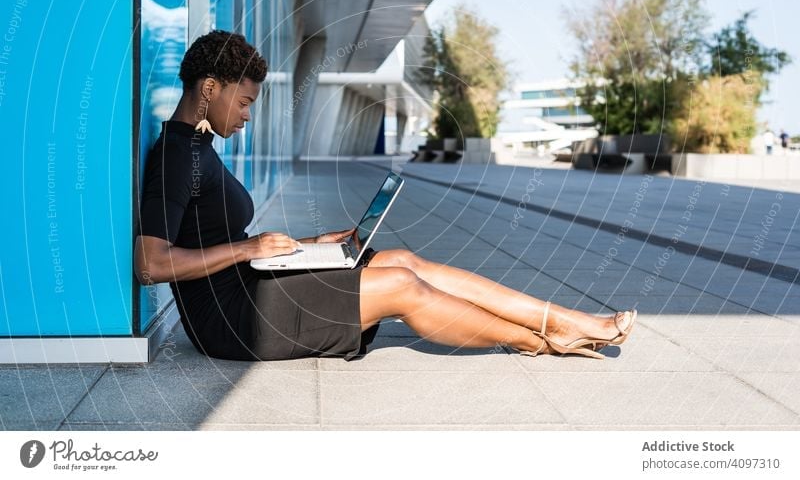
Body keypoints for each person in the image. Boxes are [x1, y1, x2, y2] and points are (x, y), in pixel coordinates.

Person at [134, 30, 636, 363]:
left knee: (398, 258)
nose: (246, 116)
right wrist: (248, 248)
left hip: (249, 284)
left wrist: (308, 243)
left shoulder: (199, 145)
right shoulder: (177, 155)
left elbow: (214, 232)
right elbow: (151, 264)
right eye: (243, 102)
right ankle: (540, 339)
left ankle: (564, 320)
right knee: (399, 286)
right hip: (232, 319)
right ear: (209, 88)